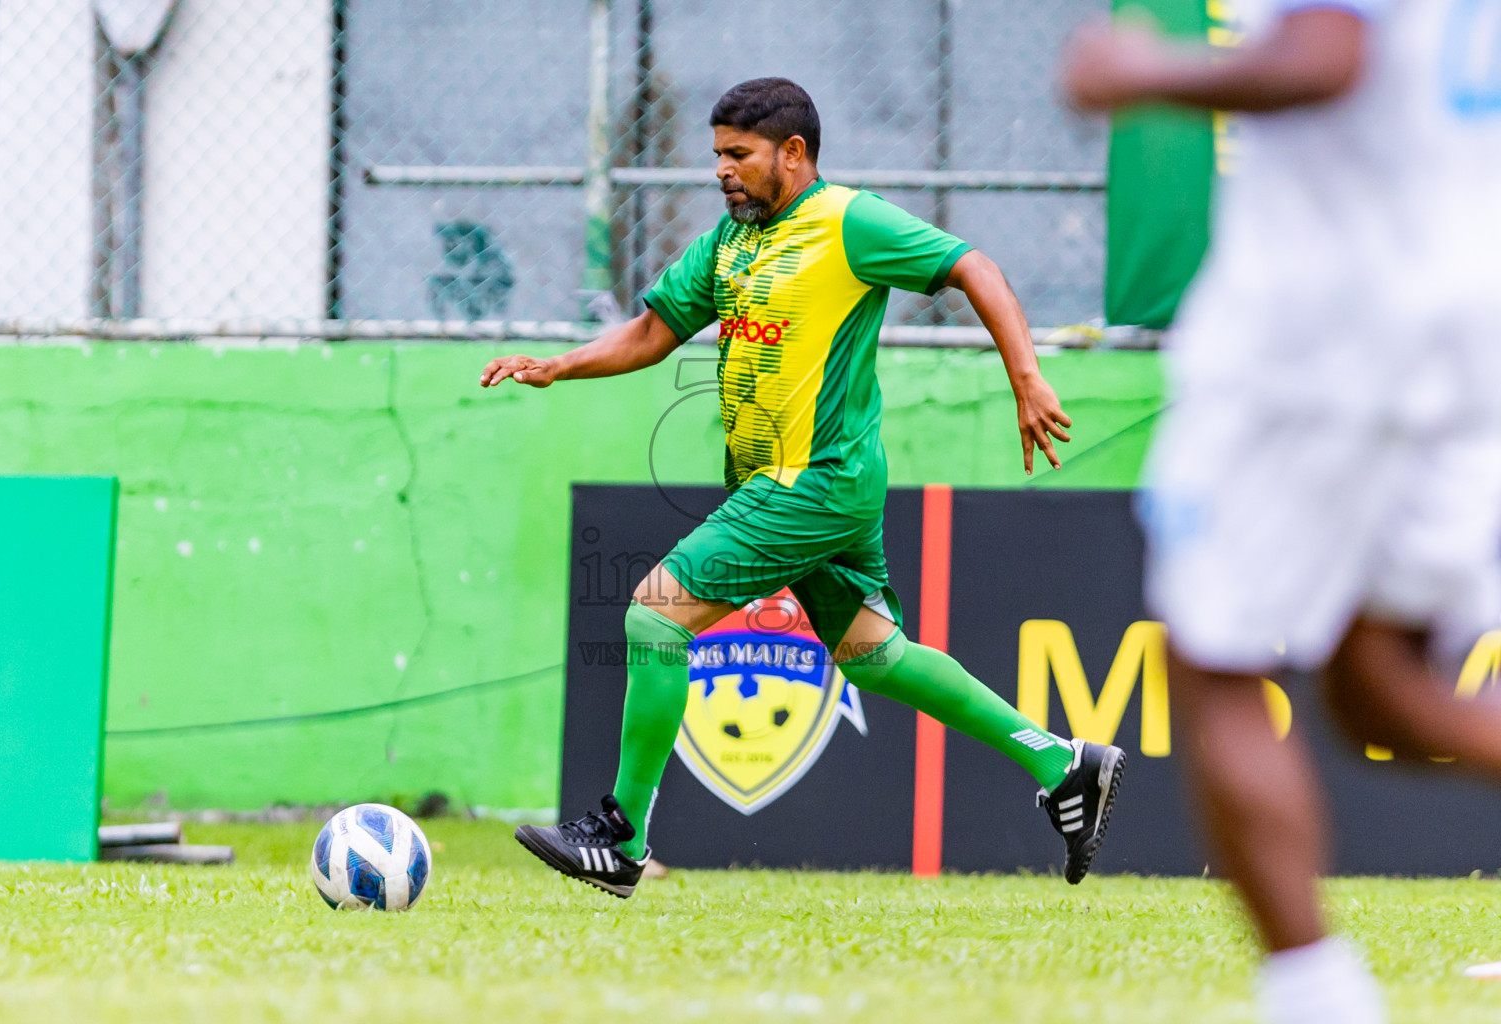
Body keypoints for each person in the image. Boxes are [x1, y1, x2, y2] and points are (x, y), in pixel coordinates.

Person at [481, 78, 1126, 897]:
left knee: (655, 613)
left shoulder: (850, 222)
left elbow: (974, 267)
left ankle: (623, 836)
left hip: (812, 483)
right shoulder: (729, 243)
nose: (722, 171)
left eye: (738, 156)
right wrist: (555, 367)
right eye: (716, 155)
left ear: (793, 153)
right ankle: (1064, 764)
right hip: (809, 484)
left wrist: (1027, 380)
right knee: (875, 658)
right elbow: (651, 332)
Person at [1064, 4, 1501, 1022]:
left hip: (1318, 333)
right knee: (1379, 682)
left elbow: (1325, 57)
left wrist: (1141, 71)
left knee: (1216, 662)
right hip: (1463, 323)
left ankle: (1314, 998)